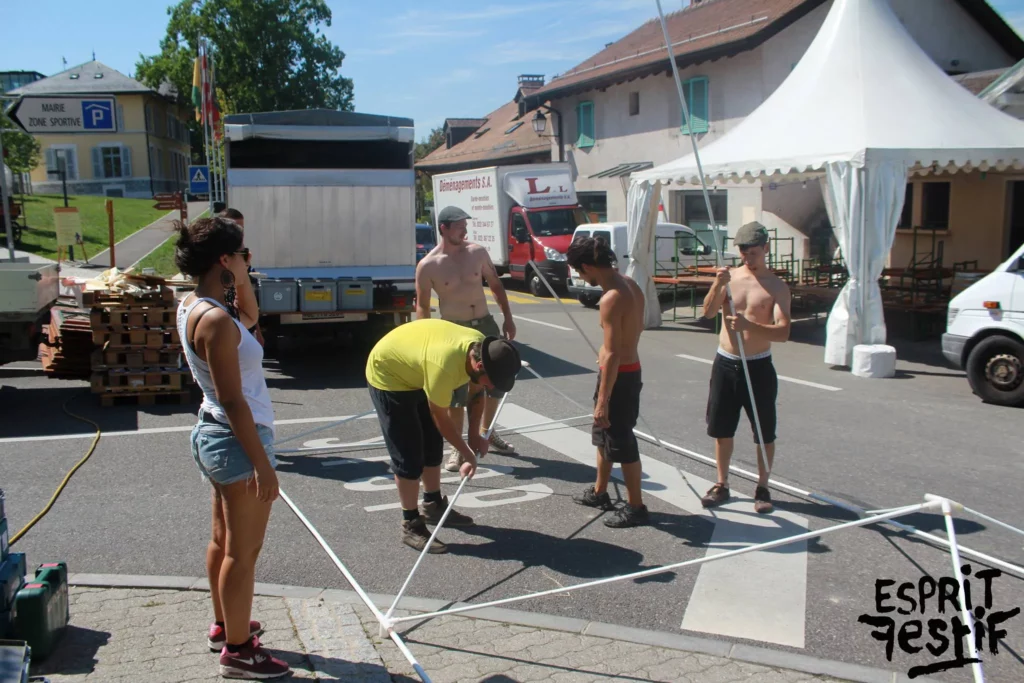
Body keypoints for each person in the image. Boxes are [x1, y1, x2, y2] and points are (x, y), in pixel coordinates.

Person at [175, 216, 290, 679]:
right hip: (236, 439)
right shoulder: (217, 322)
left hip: (214, 435)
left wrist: (240, 278)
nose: (248, 260)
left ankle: (226, 625)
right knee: (243, 552)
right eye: (243, 255)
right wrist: (263, 465)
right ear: (224, 258)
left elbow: (251, 318)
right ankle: (239, 651)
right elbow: (233, 399)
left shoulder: (194, 305)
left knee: (222, 541)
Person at [366, 318, 522, 552]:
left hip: (417, 368)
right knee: (408, 455)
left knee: (432, 445)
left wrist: (474, 435)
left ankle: (433, 505)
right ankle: (410, 523)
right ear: (479, 366)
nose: (492, 387)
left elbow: (476, 394)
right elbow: (440, 417)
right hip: (389, 375)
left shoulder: (481, 350)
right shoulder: (444, 366)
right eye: (493, 381)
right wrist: (467, 454)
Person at [415, 205, 518, 473]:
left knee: (495, 382)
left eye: (465, 225)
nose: (465, 230)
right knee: (458, 391)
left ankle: (487, 432)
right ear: (444, 228)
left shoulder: (477, 252)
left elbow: (495, 285)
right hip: (453, 329)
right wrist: (425, 339)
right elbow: (422, 306)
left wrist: (508, 318)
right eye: (460, 226)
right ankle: (457, 447)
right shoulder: (428, 265)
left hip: (484, 323)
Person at [700, 222, 792, 514]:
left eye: (753, 253)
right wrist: (718, 284)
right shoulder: (730, 278)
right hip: (726, 362)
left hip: (758, 365)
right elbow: (708, 312)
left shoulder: (776, 286)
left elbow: (783, 332)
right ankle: (721, 483)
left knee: (764, 432)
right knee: (721, 428)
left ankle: (763, 486)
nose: (748, 258)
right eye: (743, 253)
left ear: (765, 249)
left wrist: (749, 325)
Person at [566, 236, 649, 528]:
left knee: (622, 441)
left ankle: (636, 506)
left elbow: (614, 353)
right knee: (604, 436)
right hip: (623, 371)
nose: (580, 276)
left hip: (620, 376)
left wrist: (603, 400)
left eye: (579, 271)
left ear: (588, 266)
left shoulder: (612, 297)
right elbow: (633, 331)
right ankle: (600, 491)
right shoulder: (630, 284)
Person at [217, 208, 264, 347]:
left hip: (243, 322)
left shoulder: (240, 257)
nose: (239, 233)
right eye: (235, 228)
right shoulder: (218, 262)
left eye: (241, 228)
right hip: (229, 324)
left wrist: (258, 331)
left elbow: (248, 300)